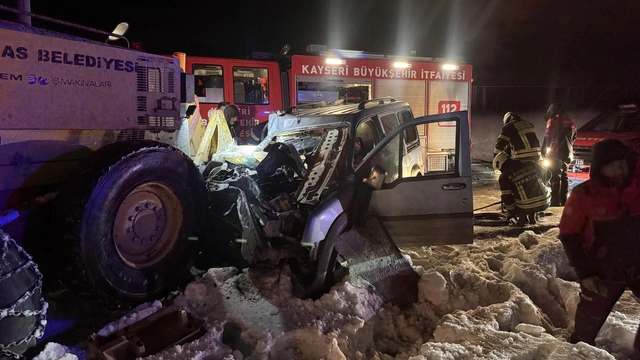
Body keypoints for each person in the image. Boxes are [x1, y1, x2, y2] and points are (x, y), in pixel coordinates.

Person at [559, 138, 640, 350]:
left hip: (638, 265)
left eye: (622, 163)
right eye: (612, 165)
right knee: (587, 326)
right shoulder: (583, 195)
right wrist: (584, 273)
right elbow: (568, 234)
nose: (620, 169)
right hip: (602, 272)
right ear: (600, 168)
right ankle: (579, 352)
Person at [493, 151, 551, 226]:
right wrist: (544, 183)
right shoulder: (530, 163)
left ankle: (522, 218)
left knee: (517, 200)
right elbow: (548, 174)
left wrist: (511, 213)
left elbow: (507, 198)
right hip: (545, 202)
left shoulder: (504, 177)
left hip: (527, 206)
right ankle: (532, 216)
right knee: (528, 196)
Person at [542, 103, 577, 206]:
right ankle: (564, 200)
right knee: (564, 175)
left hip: (556, 153)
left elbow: (547, 137)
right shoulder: (572, 122)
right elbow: (574, 138)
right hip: (568, 153)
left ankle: (555, 201)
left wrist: (543, 151)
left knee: (555, 176)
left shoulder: (553, 121)